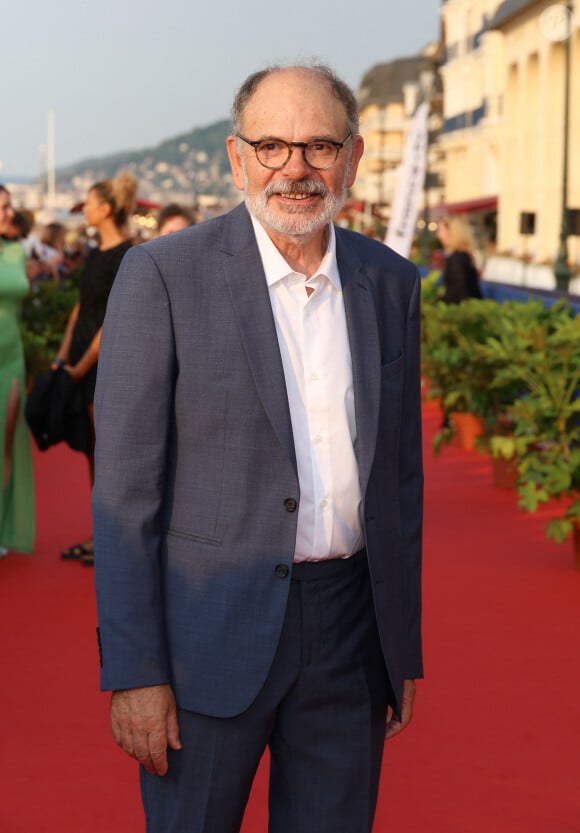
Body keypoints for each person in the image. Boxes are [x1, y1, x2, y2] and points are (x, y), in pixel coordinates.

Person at [93, 63, 424, 833]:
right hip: (206, 634)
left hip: (349, 633)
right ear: (238, 159)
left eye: (318, 146)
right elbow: (124, 494)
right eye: (272, 146)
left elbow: (399, 481)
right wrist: (136, 669)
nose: (296, 169)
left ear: (353, 158)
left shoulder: (391, 281)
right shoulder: (162, 275)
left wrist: (400, 646)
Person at [56, 171, 137, 565]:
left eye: (88, 202)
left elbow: (113, 318)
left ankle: (111, 539)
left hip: (107, 366)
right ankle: (99, 534)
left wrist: (83, 364)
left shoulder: (128, 255)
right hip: (82, 366)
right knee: (93, 453)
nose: (83, 208)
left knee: (107, 457)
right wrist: (63, 356)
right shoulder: (95, 253)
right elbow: (82, 308)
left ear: (105, 209)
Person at [0, 185, 35, 556]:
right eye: (3, 208)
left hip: (11, 356)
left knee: (6, 440)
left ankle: (2, 527)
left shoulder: (15, 250)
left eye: (9, 206)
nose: (10, 214)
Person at [437, 215, 483, 303]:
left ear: (452, 232)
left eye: (441, 231)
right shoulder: (462, 255)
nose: (439, 235)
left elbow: (460, 294)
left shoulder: (457, 258)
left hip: (464, 312)